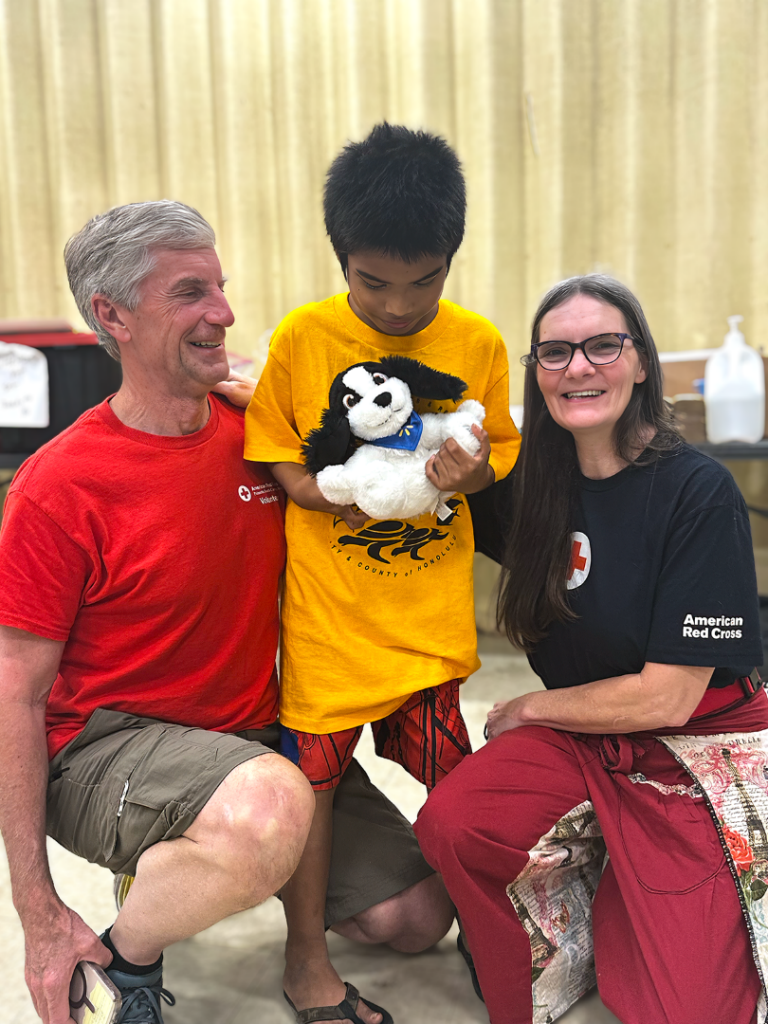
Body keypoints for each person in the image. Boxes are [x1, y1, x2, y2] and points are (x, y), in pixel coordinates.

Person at [0, 200, 461, 1024]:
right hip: (105, 745)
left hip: (250, 736)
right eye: (190, 293)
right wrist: (37, 916)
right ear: (113, 316)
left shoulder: (258, 435)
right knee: (274, 807)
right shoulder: (56, 485)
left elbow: (375, 439)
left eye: (220, 286)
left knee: (414, 921)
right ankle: (125, 960)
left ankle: (190, 862)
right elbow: (14, 695)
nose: (224, 311)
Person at [415, 274, 768, 1024]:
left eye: (603, 345)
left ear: (641, 362)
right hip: (584, 738)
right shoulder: (539, 488)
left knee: (688, 1009)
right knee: (454, 821)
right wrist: (472, 479)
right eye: (555, 351)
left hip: (691, 738)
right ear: (536, 372)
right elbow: (483, 514)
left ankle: (627, 875)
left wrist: (527, 707)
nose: (578, 367)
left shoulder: (698, 492)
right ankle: (575, 895)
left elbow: (668, 696)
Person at [244, 123, 521, 1024]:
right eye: (374, 282)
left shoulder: (476, 343)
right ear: (342, 261)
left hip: (427, 632)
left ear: (452, 259)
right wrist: (340, 498)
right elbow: (280, 459)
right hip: (327, 634)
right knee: (308, 800)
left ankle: (493, 932)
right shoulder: (302, 338)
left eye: (425, 280)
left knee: (463, 791)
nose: (400, 305)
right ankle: (304, 961)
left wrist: (469, 476)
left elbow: (501, 455)